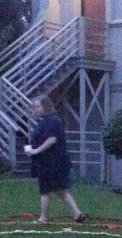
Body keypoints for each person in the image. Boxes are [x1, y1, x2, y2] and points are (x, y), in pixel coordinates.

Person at [24, 95, 86, 224]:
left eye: (37, 106)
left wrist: (36, 150)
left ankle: (43, 218)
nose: (35, 109)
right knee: (60, 190)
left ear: (45, 106)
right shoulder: (46, 121)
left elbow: (52, 139)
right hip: (50, 162)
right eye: (33, 107)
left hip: (52, 162)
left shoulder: (52, 121)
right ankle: (77, 214)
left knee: (45, 191)